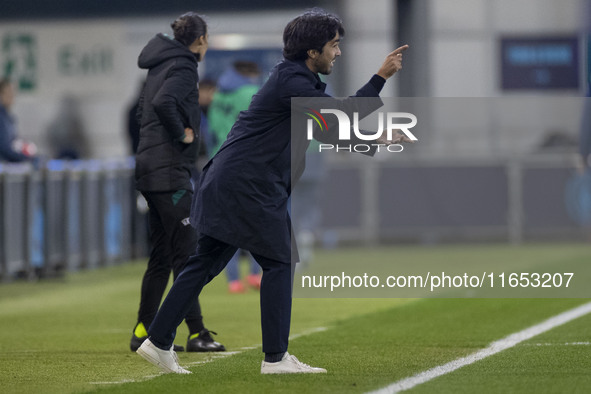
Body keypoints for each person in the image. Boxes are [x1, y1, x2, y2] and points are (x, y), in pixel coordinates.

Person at [136, 9, 409, 374]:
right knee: (280, 262)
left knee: (204, 263)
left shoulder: (296, 81)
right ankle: (276, 358)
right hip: (249, 187)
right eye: (334, 45)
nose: (338, 53)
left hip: (236, 184)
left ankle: (157, 340)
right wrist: (380, 77)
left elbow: (327, 130)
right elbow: (342, 115)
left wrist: (376, 139)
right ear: (312, 52)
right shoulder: (292, 83)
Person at [131, 12, 225, 354]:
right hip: (170, 172)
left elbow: (145, 109)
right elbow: (163, 103)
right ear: (199, 41)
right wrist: (182, 134)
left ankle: (142, 329)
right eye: (207, 40)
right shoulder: (184, 66)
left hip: (150, 169)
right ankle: (196, 333)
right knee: (187, 255)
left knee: (161, 255)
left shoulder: (159, 63)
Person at [207, 60, 263, 293]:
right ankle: (254, 274)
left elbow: (210, 131)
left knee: (227, 226)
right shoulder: (251, 92)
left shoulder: (218, 96)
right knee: (258, 223)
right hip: (247, 164)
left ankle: (232, 280)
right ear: (250, 73)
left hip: (219, 163)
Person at [0, 78, 38, 163]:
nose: (12, 96)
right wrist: (26, 158)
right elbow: (3, 148)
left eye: (13, 92)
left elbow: (13, 143)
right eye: (8, 93)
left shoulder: (9, 118)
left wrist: (24, 148)